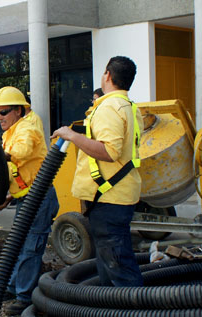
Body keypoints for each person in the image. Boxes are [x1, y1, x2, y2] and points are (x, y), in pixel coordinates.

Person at [51, 56, 144, 287]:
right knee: (109, 261)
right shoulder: (129, 107)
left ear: (108, 75)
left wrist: (72, 136)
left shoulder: (109, 107)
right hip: (116, 194)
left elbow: (109, 151)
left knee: (118, 266)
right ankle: (110, 313)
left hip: (109, 197)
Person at [0, 86, 59, 315]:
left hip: (39, 197)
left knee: (30, 247)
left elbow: (22, 151)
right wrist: (8, 197)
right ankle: (12, 287)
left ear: (19, 110)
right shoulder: (11, 131)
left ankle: (24, 297)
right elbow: (20, 171)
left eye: (5, 112)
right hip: (26, 197)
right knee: (18, 244)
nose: (0, 117)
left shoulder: (27, 129)